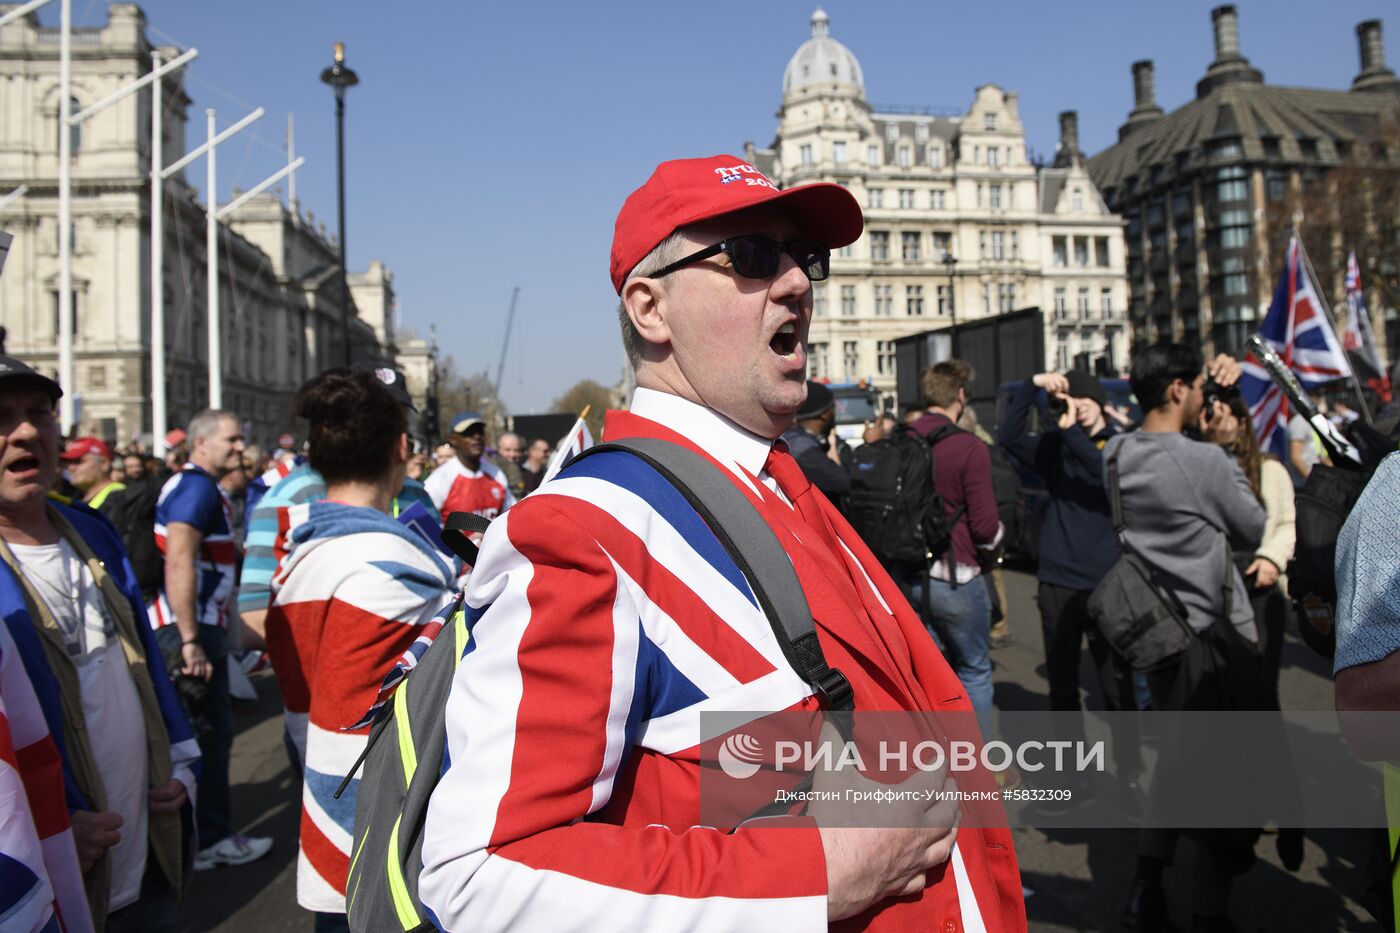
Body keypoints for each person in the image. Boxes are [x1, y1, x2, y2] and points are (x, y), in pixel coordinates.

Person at [417, 154, 1024, 930]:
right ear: (650, 309)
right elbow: (479, 873)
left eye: (805, 258)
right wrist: (815, 875)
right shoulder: (585, 530)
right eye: (751, 256)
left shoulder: (778, 483)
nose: (800, 281)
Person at [0, 355, 198, 930]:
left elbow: (145, 670)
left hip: (147, 849)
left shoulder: (90, 530)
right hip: (55, 878)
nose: (28, 430)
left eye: (39, 412)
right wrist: (50, 823)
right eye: (3, 417)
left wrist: (179, 767)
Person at [265, 368, 455, 931]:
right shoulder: (390, 569)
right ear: (402, 447)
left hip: (326, 809)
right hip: (385, 836)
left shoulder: (302, 554)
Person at [1108, 342, 1266, 932]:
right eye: (1198, 384)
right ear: (1178, 389)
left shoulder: (1118, 452)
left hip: (1156, 638)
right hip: (1213, 643)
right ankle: (1208, 913)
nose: (1204, 393)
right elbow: (1252, 525)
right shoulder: (1203, 462)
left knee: (1174, 766)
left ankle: (1145, 891)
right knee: (1224, 790)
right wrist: (1223, 450)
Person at [998, 370, 1142, 807]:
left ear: (1099, 404)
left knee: (1117, 689)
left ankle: (1130, 779)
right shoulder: (1059, 444)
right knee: (1062, 689)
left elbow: (1105, 478)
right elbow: (1008, 436)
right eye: (1071, 399)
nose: (1077, 406)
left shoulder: (1117, 443)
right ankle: (1074, 780)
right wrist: (1032, 386)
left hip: (1106, 585)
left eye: (1084, 400)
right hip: (1058, 580)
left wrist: (1072, 432)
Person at [148, 408, 272, 873]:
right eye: (232, 440)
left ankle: (203, 836)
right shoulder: (195, 489)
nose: (241, 448)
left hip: (202, 630)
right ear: (201, 443)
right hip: (190, 634)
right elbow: (178, 561)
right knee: (204, 740)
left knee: (210, 736)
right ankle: (207, 839)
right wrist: (190, 640)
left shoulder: (202, 489)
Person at [238, 363, 439, 646]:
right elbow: (254, 619)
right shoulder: (285, 502)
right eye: (373, 420)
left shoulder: (417, 495)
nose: (380, 434)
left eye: (395, 422)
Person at [904, 360, 1004, 729]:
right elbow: (984, 526)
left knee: (924, 677)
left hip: (906, 575)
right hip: (956, 574)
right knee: (974, 669)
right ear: (960, 395)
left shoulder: (902, 439)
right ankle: (979, 764)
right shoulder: (968, 447)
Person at [423, 412, 516, 521]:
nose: (477, 437)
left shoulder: (496, 474)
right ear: (453, 439)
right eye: (469, 433)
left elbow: (512, 516)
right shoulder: (439, 479)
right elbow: (424, 525)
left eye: (480, 432)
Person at [780, 379, 851, 510]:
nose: (835, 414)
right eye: (833, 409)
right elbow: (843, 482)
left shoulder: (793, 439)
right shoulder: (801, 447)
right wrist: (871, 445)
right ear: (824, 414)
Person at [61, 437, 126, 521]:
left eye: (78, 461)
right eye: (69, 462)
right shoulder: (74, 497)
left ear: (104, 463)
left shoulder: (120, 498)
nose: (71, 467)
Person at [491, 431, 527, 500]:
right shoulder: (490, 474)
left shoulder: (528, 475)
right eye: (507, 450)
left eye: (516, 450)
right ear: (498, 450)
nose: (512, 454)